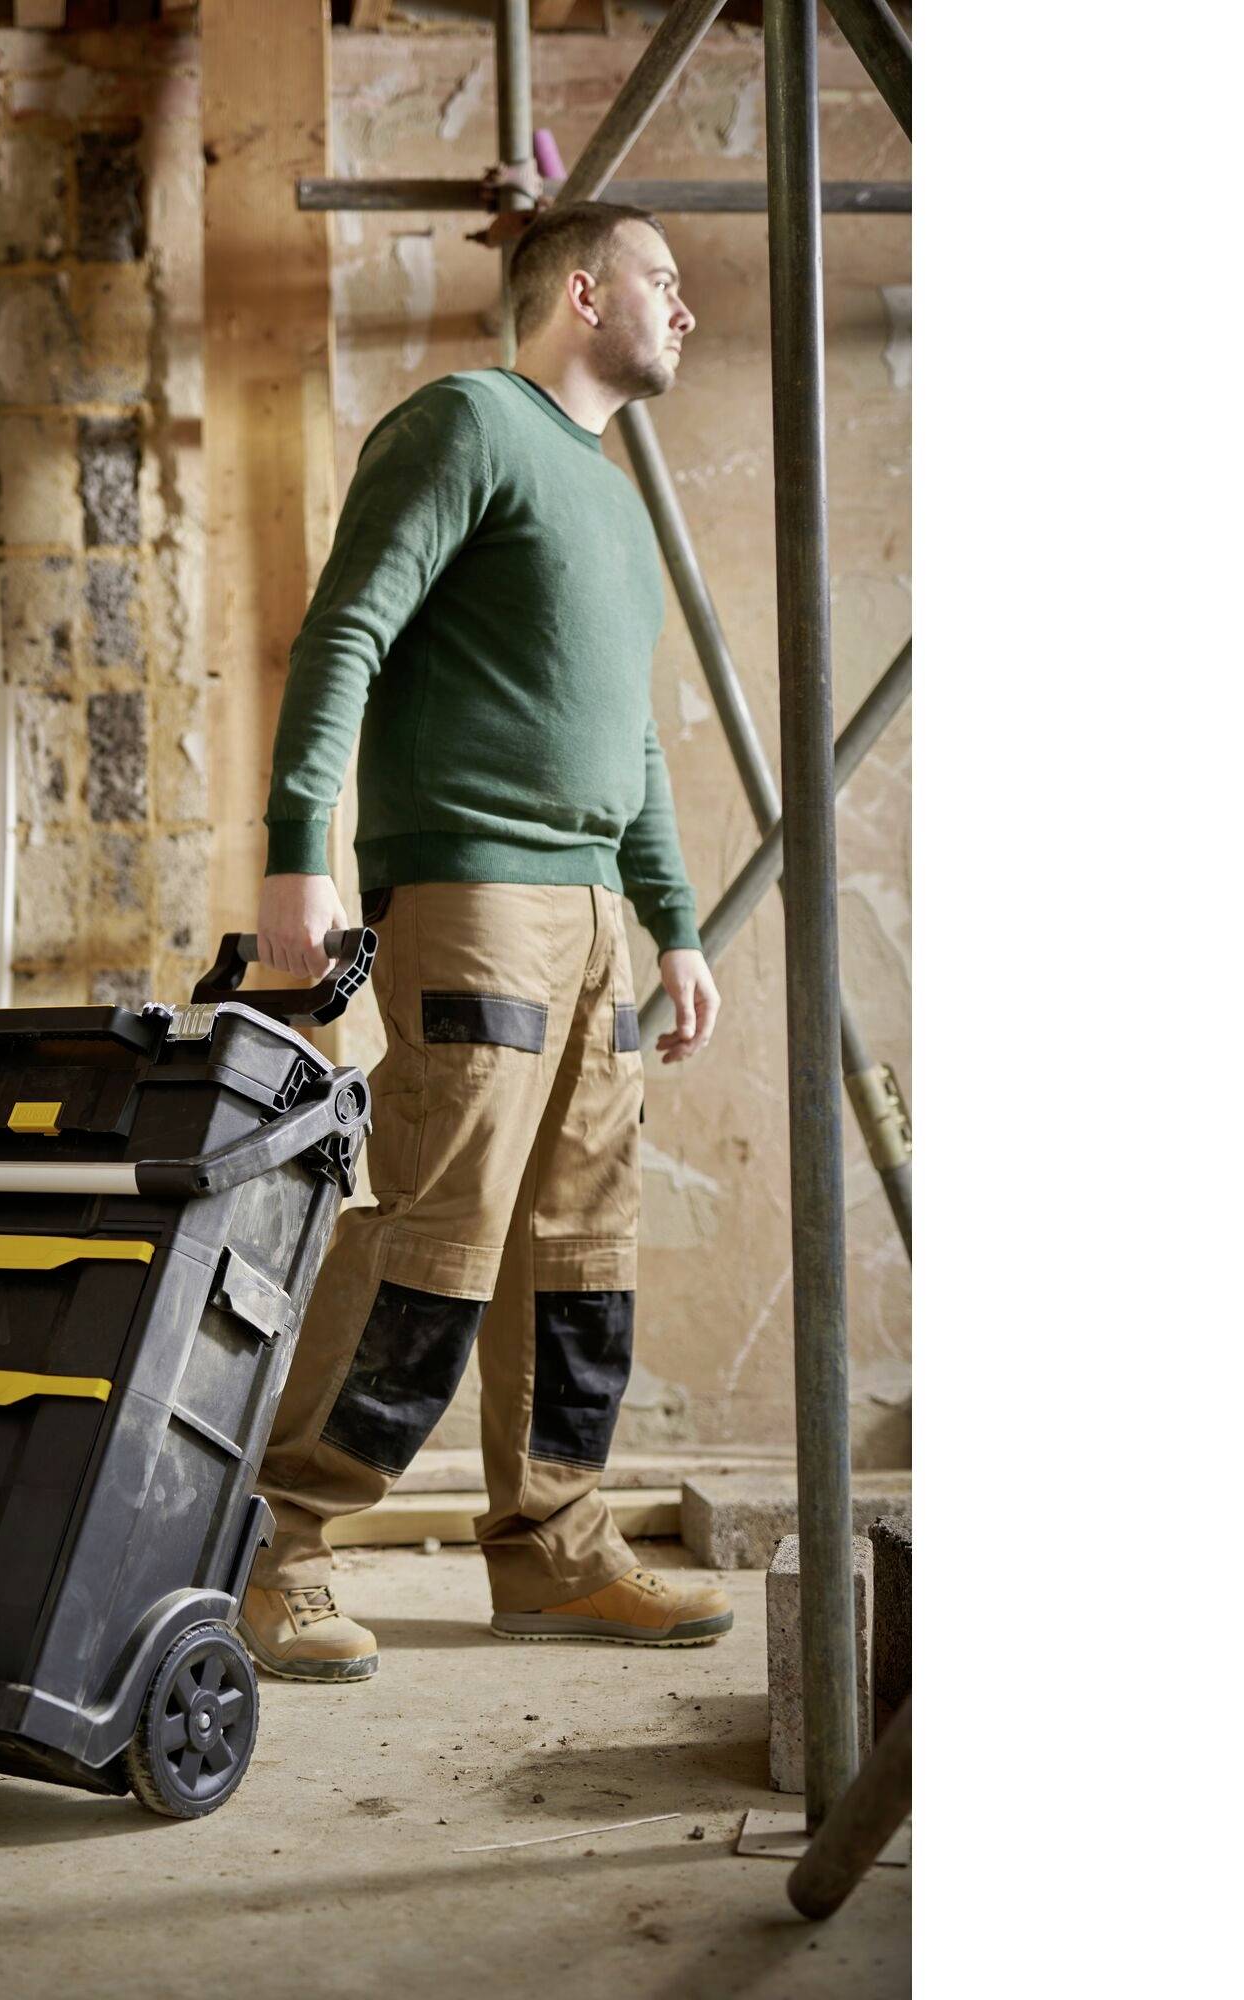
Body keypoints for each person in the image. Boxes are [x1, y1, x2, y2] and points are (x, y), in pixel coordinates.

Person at [237, 202, 731, 1682]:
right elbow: (346, 632)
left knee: (579, 1250)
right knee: (433, 1235)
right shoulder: (467, 425)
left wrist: (678, 929)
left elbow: (631, 745)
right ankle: (283, 1547)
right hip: (472, 898)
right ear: (581, 293)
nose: (685, 308)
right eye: (662, 280)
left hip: (587, 919)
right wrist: (292, 851)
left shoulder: (615, 504)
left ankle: (555, 1549)